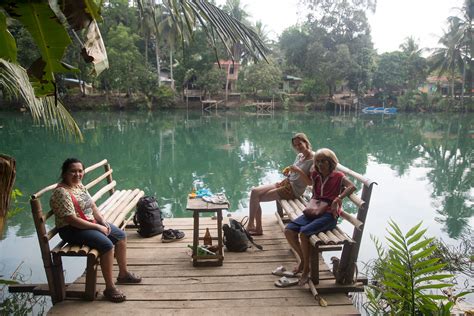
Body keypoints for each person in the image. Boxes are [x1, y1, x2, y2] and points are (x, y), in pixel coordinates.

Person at [50, 158, 142, 303]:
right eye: (73, 171)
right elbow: (71, 220)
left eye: (80, 171)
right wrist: (98, 227)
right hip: (72, 229)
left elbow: (92, 206)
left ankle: (123, 274)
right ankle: (109, 288)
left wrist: (102, 221)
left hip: (88, 223)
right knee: (107, 245)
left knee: (120, 235)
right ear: (64, 173)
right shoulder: (61, 192)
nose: (77, 174)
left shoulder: (79, 186)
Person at [284, 148, 356, 285]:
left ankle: (306, 269)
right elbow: (313, 191)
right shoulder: (316, 176)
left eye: (323, 161)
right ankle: (304, 261)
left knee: (304, 233)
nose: (320, 164)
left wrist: (338, 198)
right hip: (314, 211)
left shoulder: (338, 176)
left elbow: (352, 186)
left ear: (330, 163)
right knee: (288, 230)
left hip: (329, 215)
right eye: (318, 161)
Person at [246, 133, 314, 236]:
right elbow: (295, 172)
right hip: (286, 183)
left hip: (293, 190)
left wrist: (298, 171)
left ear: (306, 142)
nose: (297, 147)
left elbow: (310, 183)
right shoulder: (300, 156)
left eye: (299, 144)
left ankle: (254, 226)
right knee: (255, 192)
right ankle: (253, 225)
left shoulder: (313, 160)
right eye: (295, 145)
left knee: (256, 198)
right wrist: (289, 172)